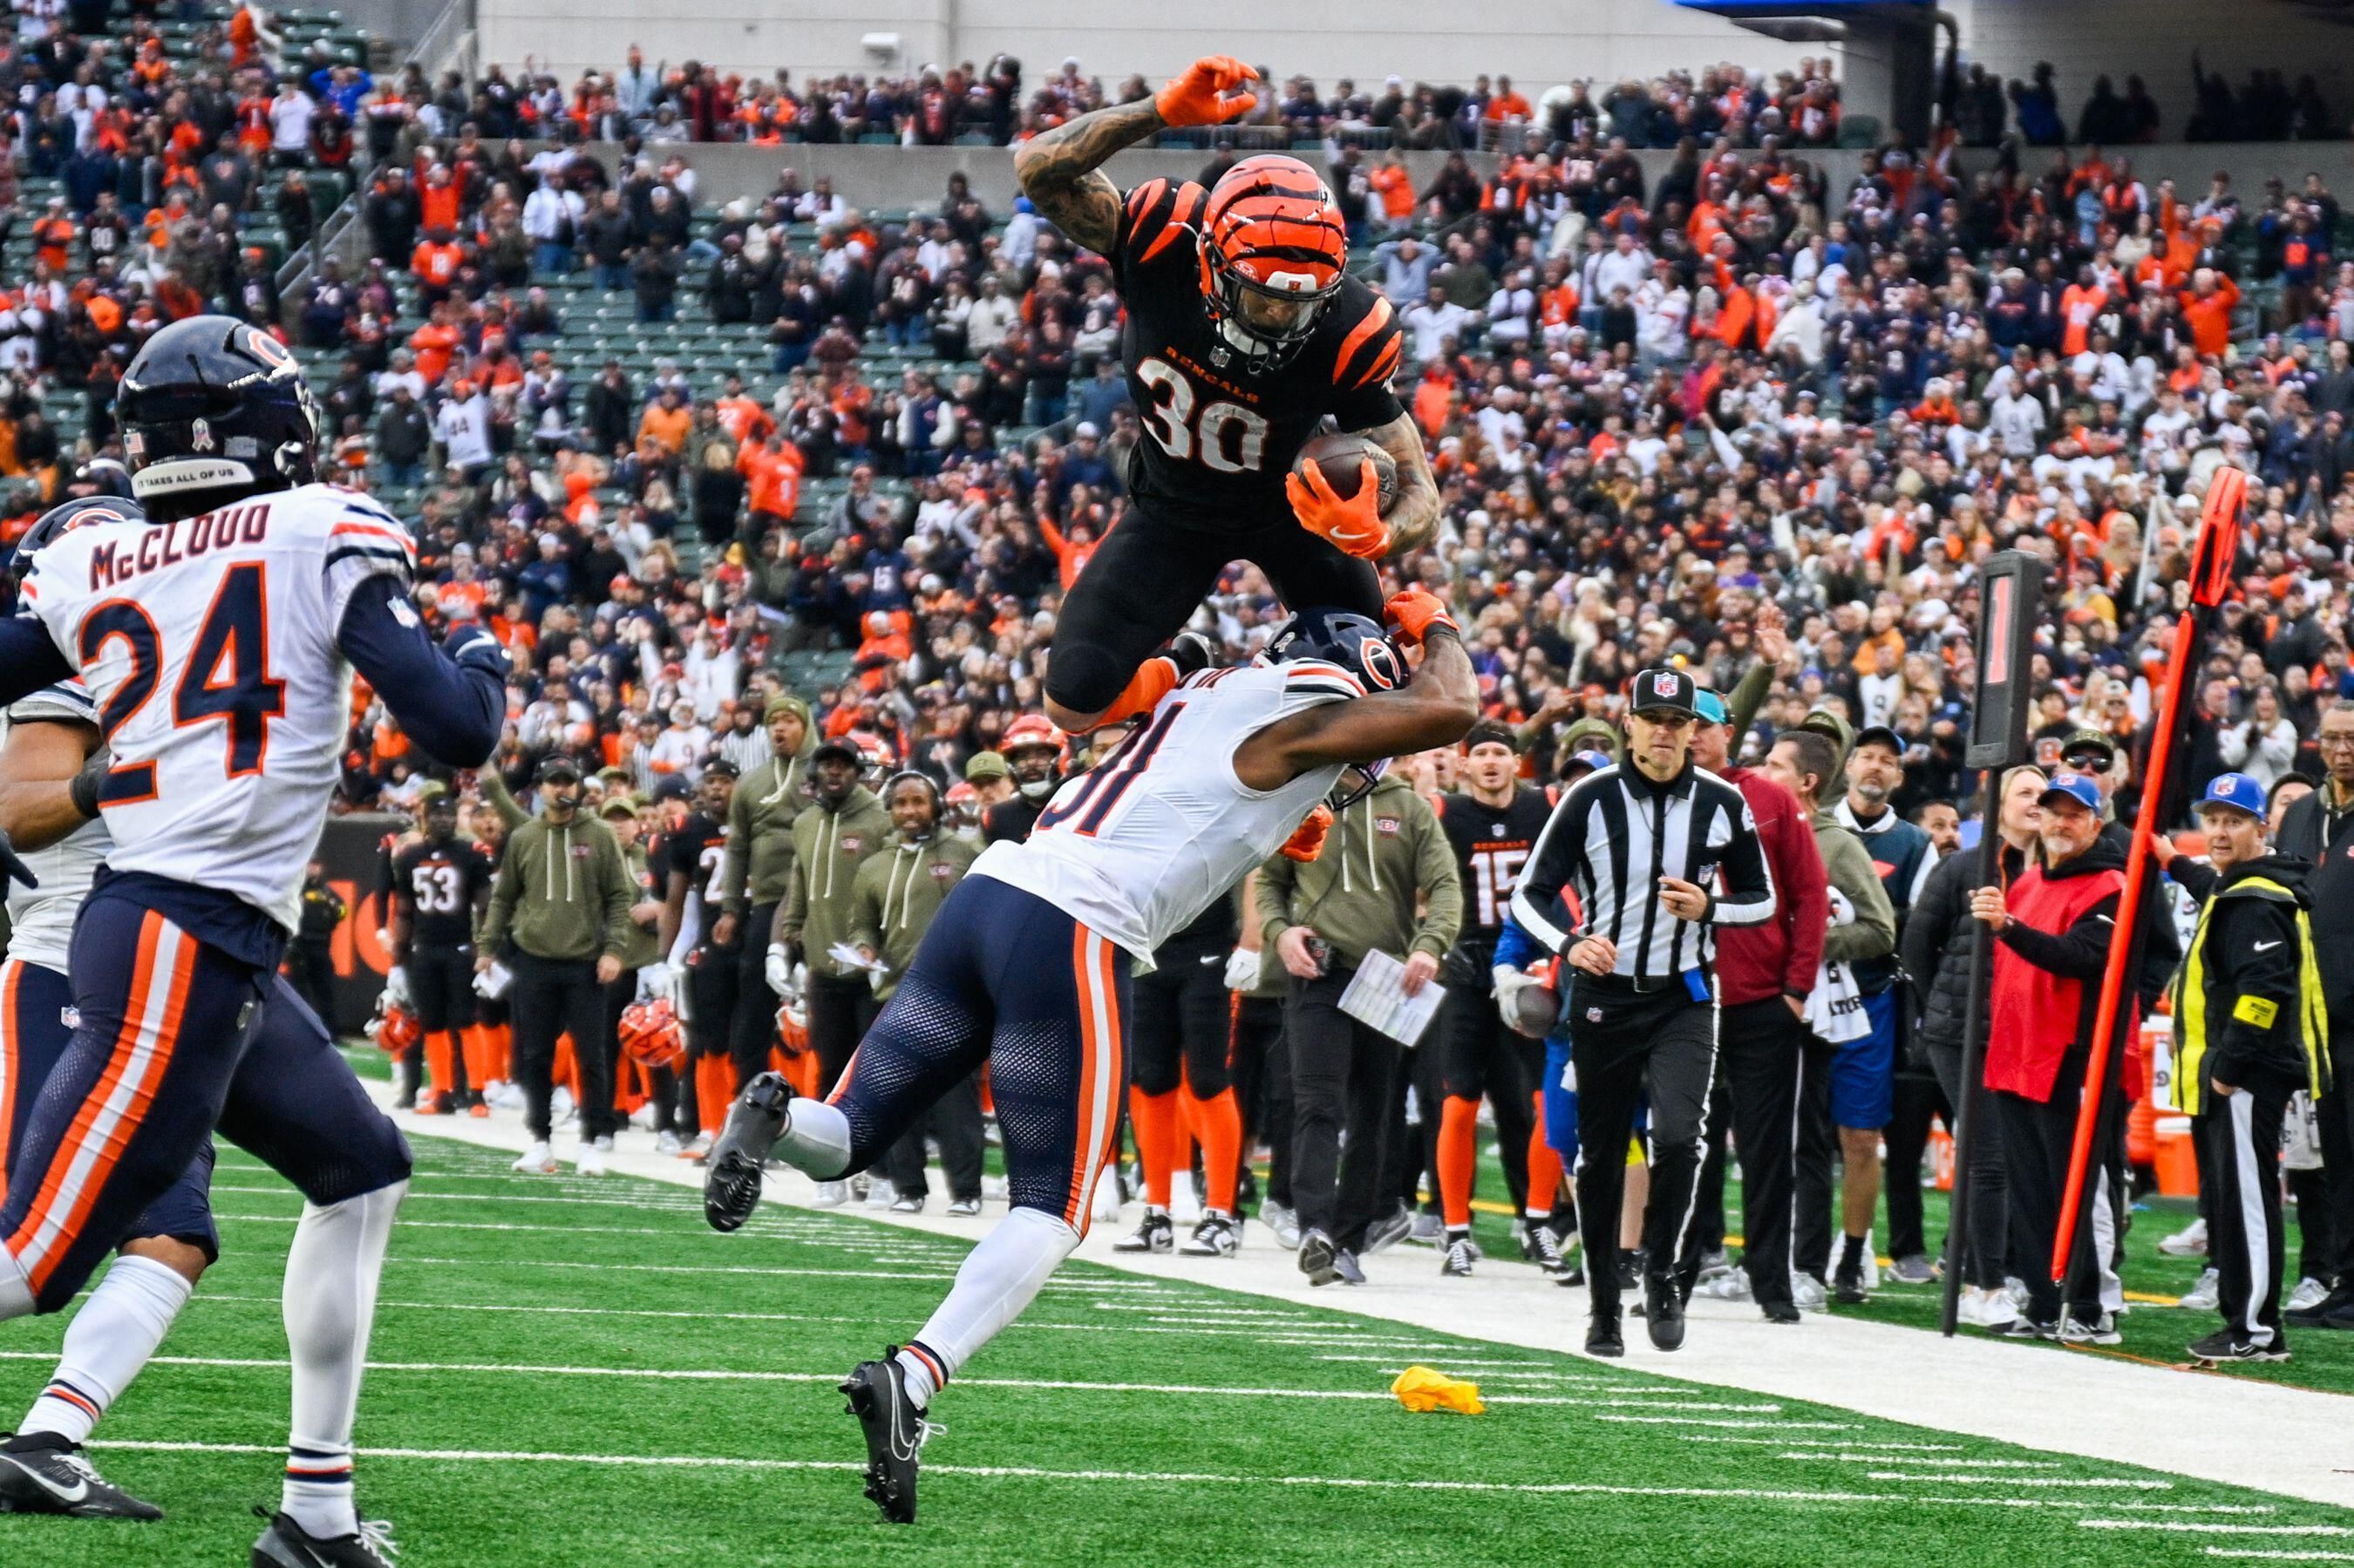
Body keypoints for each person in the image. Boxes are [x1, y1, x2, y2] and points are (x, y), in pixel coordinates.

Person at [703, 593, 1476, 1524]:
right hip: (1072, 929)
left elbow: (1197, 790)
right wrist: (1435, 624)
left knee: (853, 1128)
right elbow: (1453, 707)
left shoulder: (1211, 687)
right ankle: (914, 1372)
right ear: (1350, 674)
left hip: (991, 893)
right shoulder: (1300, 708)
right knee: (1056, 1204)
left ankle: (773, 1119)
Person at [0, 314, 507, 1565]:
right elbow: (456, 729)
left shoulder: (100, 556)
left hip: (206, 933)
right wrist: (485, 650)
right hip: (173, 929)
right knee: (31, 1260)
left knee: (364, 1169)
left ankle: (317, 1514)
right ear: (263, 427)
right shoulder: (320, 525)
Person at [1014, 55, 1439, 734]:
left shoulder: (1351, 325)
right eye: (1262, 298)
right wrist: (1158, 113)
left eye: (1300, 306)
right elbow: (1039, 166)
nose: (1280, 319)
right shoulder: (1162, 240)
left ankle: (1300, 799)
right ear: (1209, 259)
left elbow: (1421, 488)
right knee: (1073, 703)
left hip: (1290, 511)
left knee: (1375, 688)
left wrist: (1379, 530)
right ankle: (1185, 667)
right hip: (1171, 507)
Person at [1510, 667, 1777, 1356]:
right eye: (1652, 718)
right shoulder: (1589, 797)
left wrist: (1711, 907)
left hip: (1685, 992)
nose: (1664, 731)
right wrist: (1571, 944)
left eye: (1677, 721)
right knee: (1600, 1155)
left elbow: (1764, 897)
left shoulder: (1721, 802)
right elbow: (1529, 895)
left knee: (1684, 1136)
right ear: (1628, 722)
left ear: (1696, 730)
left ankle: (1663, 1270)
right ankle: (1604, 1304)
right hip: (1604, 997)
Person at [1258, 717, 1462, 1285]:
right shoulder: (1300, 798)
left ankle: (1349, 1238)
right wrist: (1280, 931)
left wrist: (1429, 944)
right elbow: (1270, 879)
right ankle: (1315, 1229)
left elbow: (1444, 883)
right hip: (1319, 970)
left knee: (1378, 1109)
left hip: (1388, 976)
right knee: (1318, 1102)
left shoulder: (1408, 807)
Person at [2165, 772, 2328, 1362]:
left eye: (2234, 820)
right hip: (2244, 1071)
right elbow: (2210, 882)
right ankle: (2246, 1319)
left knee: (2250, 1201)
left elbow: (2265, 988)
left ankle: (2257, 1328)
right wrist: (2170, 859)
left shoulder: (2254, 897)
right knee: (2235, 1201)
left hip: (2247, 1073)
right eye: (2212, 819)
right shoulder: (2246, 884)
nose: (2220, 830)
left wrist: (2229, 1065)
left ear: (2262, 826)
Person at [1970, 771, 2130, 1341]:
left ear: (2095, 821)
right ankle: (2043, 1296)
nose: (2061, 821)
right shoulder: (2028, 881)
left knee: (2077, 1189)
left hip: (2070, 1056)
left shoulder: (2111, 885)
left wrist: (2008, 927)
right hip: (2016, 1052)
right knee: (2031, 1186)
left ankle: (2087, 1303)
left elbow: (2081, 956)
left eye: (2073, 812)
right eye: (2053, 809)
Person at [1690, 687, 1829, 1323]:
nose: (1689, 734)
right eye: (1676, 722)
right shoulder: (1643, 796)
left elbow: (1810, 892)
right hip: (1685, 998)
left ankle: (1770, 1278)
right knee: (1684, 1145)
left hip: (1760, 1001)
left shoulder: (1769, 798)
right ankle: (1680, 1268)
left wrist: (1797, 989)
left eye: (1703, 724)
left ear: (1730, 733)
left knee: (1766, 1147)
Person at [1904, 764, 2046, 1329]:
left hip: (2025, 1032)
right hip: (1963, 1032)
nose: (2036, 802)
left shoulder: (2053, 870)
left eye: (2043, 792)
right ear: (1998, 805)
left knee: (2015, 1157)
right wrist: (1953, 1002)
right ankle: (1988, 1285)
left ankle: (1981, 1269)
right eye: (2025, 792)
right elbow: (1917, 945)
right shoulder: (1961, 866)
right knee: (1989, 1157)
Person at [1765, 728, 1897, 1307]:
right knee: (1761, 1140)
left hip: (1811, 1010)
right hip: (1753, 1004)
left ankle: (1807, 1265)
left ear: (1806, 781)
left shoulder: (1836, 845)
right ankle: (1760, 1255)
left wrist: (1808, 942)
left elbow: (1879, 929)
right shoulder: (1758, 831)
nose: (1762, 773)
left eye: (1774, 765)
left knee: (1807, 1140)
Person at [1429, 720, 1564, 1276]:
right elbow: (1424, 884)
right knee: (1459, 1101)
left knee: (1545, 1101)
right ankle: (1456, 1229)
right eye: (1479, 752)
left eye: (1499, 753)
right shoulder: (1444, 813)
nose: (1490, 761)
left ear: (1516, 763)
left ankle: (1538, 1220)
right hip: (1468, 967)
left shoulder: (1546, 807)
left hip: (1531, 967)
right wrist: (1439, 943)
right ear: (1464, 765)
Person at [478, 755, 636, 1178]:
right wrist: (488, 946)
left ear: (579, 787)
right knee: (534, 1055)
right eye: (553, 782)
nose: (561, 789)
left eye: (568, 781)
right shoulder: (525, 836)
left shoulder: (600, 834)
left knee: (591, 1055)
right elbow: (504, 897)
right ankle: (540, 1141)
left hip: (585, 961)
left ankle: (592, 1140)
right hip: (533, 959)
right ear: (541, 788)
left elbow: (621, 896)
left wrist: (614, 949)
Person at [849, 771, 983, 1218]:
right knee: (894, 1093)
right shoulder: (873, 865)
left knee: (954, 1099)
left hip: (954, 995)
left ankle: (966, 1191)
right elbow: (863, 923)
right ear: (889, 811)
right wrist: (864, 947)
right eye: (901, 803)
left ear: (936, 806)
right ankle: (909, 1188)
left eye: (918, 802)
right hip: (893, 992)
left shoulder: (963, 855)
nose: (910, 811)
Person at [1834, 723, 1940, 1285]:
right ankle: (1789, 1249)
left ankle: (1853, 1253)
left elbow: (1919, 929)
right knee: (1796, 1135)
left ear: (1899, 777)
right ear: (1847, 767)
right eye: (1866, 756)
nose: (1875, 767)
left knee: (1861, 1134)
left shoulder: (1914, 844)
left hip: (1871, 997)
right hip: (1808, 994)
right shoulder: (1819, 828)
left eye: (1886, 761)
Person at [773, 737, 890, 1204]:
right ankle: (832, 1175)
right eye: (827, 765)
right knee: (828, 1074)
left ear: (857, 772)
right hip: (823, 966)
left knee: (874, 1076)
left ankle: (879, 1172)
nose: (834, 773)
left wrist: (886, 954)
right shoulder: (805, 823)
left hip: (870, 972)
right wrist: (787, 940)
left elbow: (890, 886)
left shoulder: (880, 821)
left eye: (843, 765)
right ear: (816, 773)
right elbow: (798, 883)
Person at [2278, 702, 2354, 1330]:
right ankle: (2346, 1282)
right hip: (2318, 1021)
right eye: (2332, 738)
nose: (2343, 748)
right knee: (2338, 1155)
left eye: (2352, 738)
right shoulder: (2302, 815)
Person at [718, 693, 813, 1090]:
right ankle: (748, 1097)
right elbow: (737, 847)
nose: (780, 728)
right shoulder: (751, 782)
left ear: (806, 728)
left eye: (790, 720)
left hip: (815, 905)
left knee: (816, 1001)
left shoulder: (825, 775)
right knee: (753, 1002)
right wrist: (729, 908)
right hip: (766, 902)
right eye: (774, 722)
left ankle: (817, 1099)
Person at [388, 789, 495, 1115]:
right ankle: (442, 1093)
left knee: (466, 1020)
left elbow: (486, 905)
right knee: (432, 1023)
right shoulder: (408, 857)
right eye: (436, 814)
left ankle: (477, 1094)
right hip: (424, 949)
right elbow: (404, 910)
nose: (444, 820)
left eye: (449, 814)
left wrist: (486, 946)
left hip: (460, 947)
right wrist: (397, 956)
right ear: (425, 818)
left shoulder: (471, 853)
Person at [658, 760, 741, 1157]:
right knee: (709, 1042)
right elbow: (674, 901)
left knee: (759, 1043)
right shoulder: (689, 831)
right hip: (711, 947)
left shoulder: (758, 823)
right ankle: (710, 1126)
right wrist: (663, 959)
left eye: (726, 781)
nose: (718, 789)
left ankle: (757, 1131)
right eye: (711, 782)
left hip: (756, 942)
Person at [289, 860, 346, 1022]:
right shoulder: (296, 890)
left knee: (325, 990)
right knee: (299, 991)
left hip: (321, 945)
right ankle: (300, 1026)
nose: (314, 869)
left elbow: (343, 911)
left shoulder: (327, 892)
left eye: (317, 865)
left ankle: (331, 1030)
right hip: (299, 945)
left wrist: (331, 907)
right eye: (310, 865)